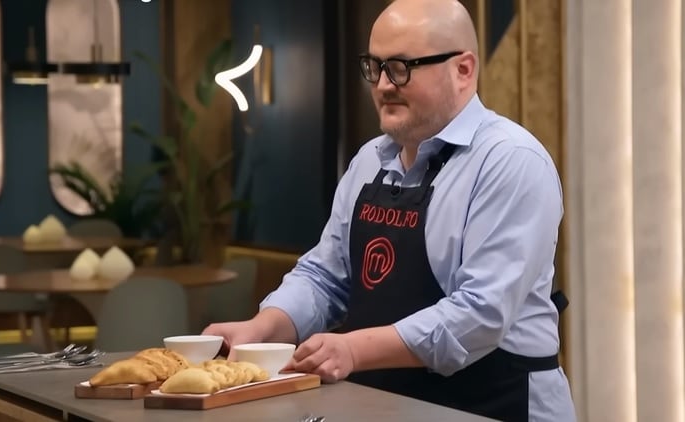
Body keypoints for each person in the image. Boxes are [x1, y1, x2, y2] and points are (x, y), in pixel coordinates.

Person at [204, 0, 576, 420]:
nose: (382, 84)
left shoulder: (510, 161)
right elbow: (324, 278)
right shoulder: (369, 161)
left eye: (401, 67)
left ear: (464, 70)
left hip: (494, 405)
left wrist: (351, 349)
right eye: (374, 66)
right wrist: (260, 330)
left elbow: (480, 314)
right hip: (389, 407)